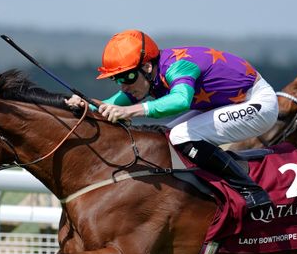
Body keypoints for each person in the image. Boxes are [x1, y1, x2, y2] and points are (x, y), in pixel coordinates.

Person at [66, 30, 278, 210]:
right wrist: (87, 104)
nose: (124, 85)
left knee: (180, 135)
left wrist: (131, 111)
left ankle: (250, 190)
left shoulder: (178, 67)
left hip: (258, 102)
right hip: (226, 104)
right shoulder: (147, 77)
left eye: (128, 77)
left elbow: (181, 100)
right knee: (165, 137)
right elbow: (111, 104)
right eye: (117, 79)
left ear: (147, 67)